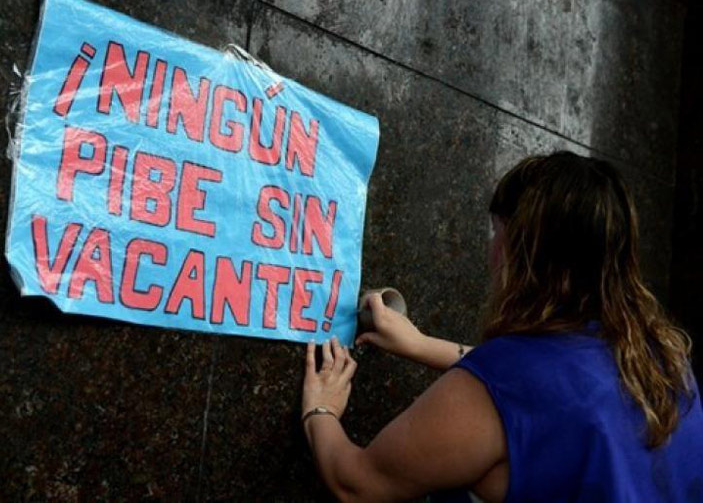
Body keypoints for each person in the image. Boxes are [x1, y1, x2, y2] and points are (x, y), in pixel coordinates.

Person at [300, 151, 703, 502]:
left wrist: (321, 410)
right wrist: (421, 344)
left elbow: (357, 484)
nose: (491, 250)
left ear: (524, 253)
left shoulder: (516, 375)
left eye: (498, 231)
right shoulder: (661, 362)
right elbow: (553, 390)